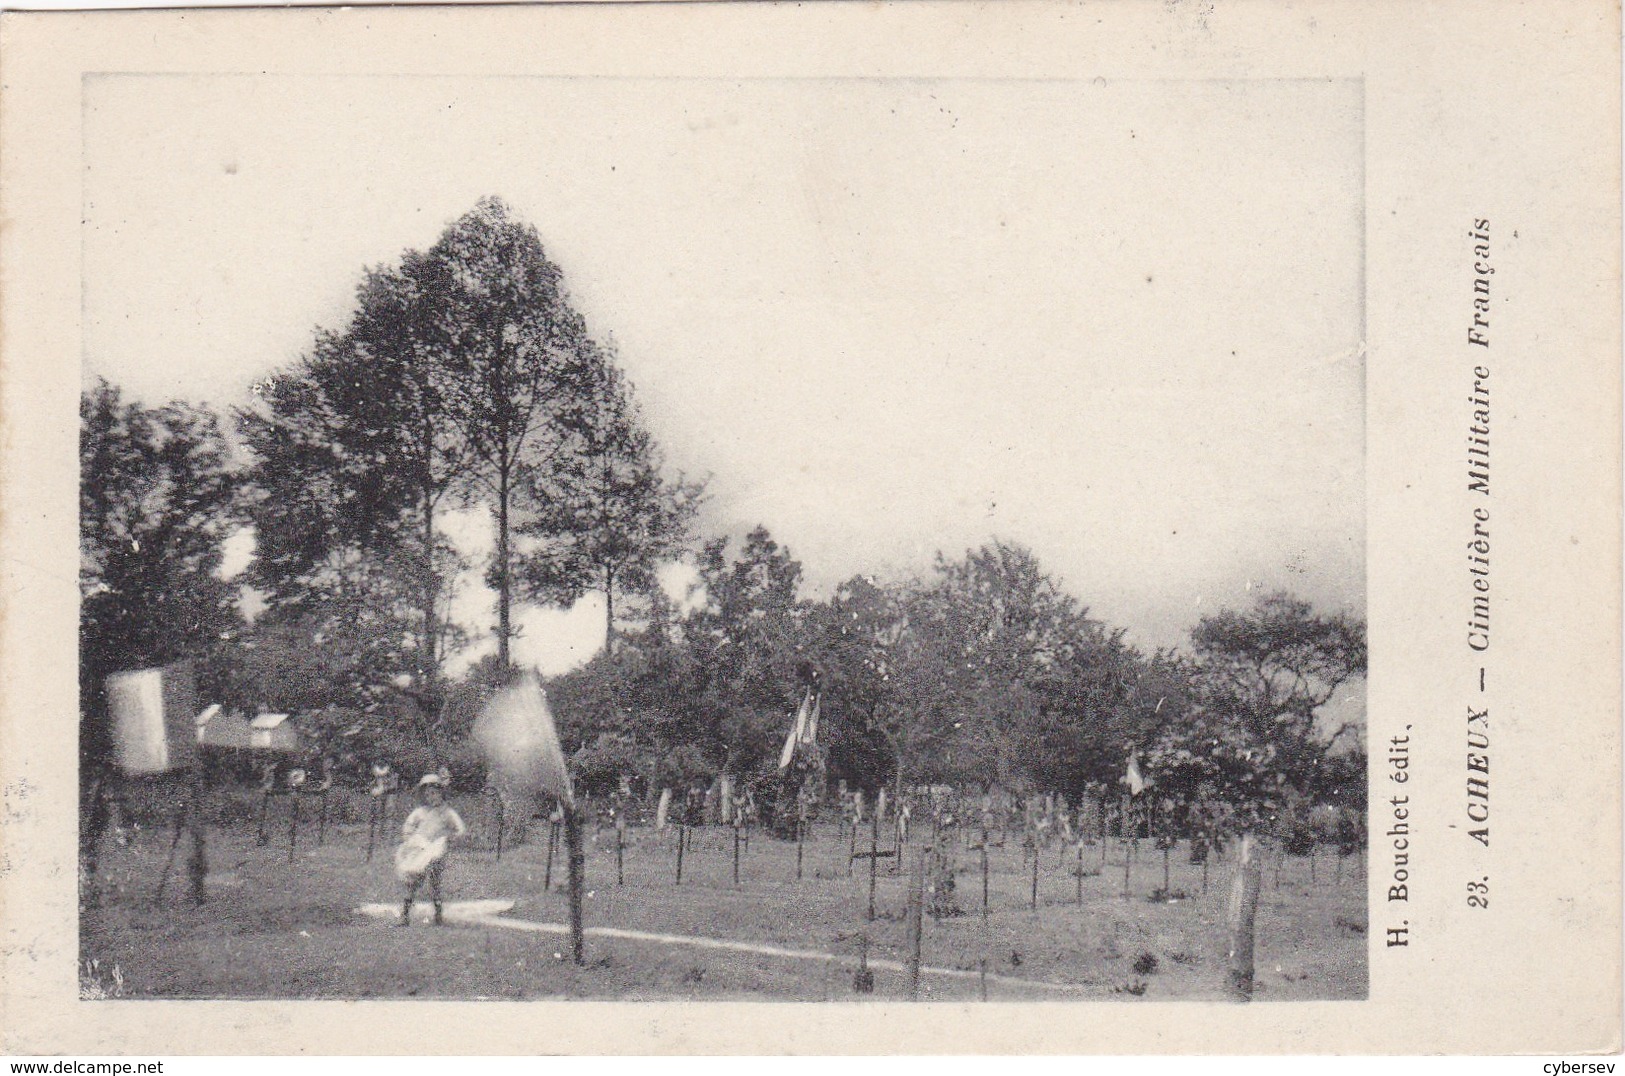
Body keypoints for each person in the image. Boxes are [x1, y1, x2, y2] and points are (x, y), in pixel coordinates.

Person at [394, 773, 467, 926]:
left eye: (434, 793)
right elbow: (408, 827)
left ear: (441, 793)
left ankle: (438, 915)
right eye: (427, 794)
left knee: (434, 883)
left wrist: (448, 838)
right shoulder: (420, 812)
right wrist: (411, 840)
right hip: (419, 851)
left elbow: (460, 829)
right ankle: (405, 915)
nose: (431, 797)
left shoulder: (447, 813)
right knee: (412, 883)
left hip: (436, 852)